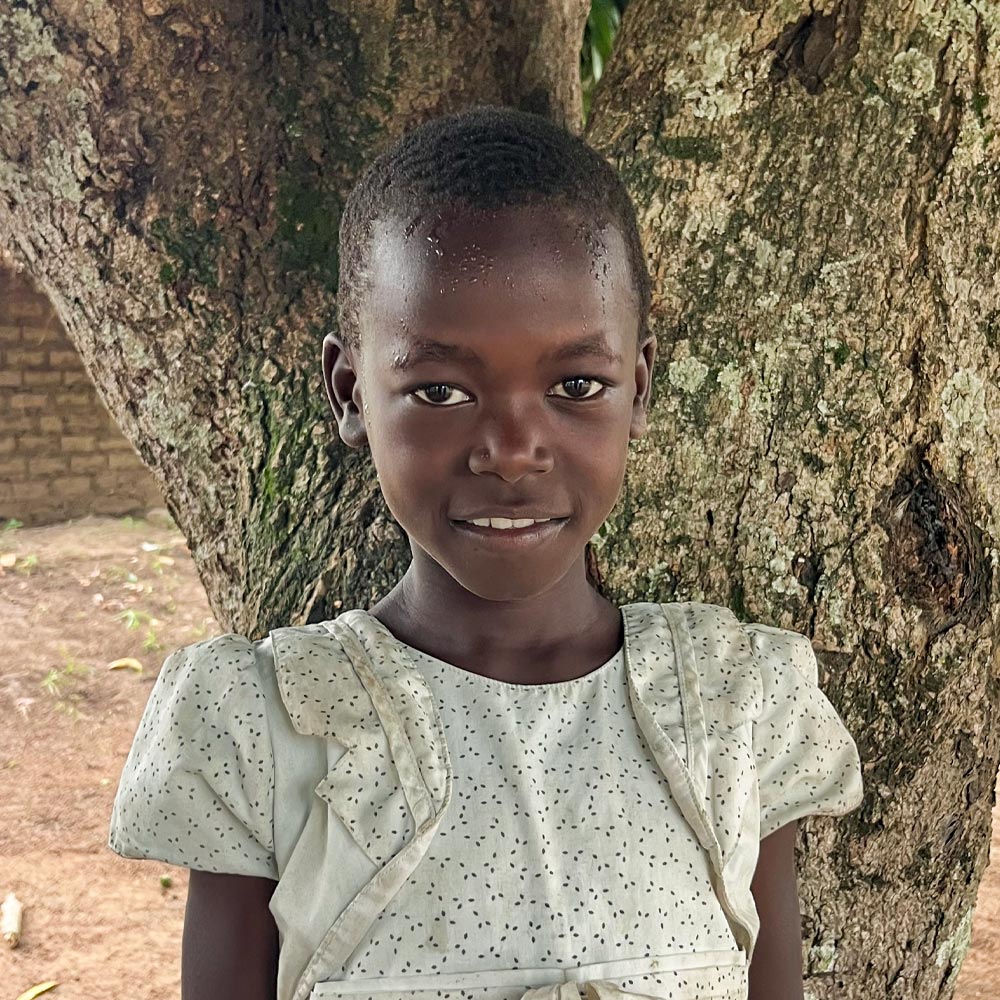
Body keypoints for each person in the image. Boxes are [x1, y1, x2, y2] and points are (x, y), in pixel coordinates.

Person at [107, 105, 864, 1000]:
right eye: (440, 391)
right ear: (350, 393)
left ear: (638, 388)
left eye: (576, 384)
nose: (511, 451)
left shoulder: (733, 708)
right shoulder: (266, 727)